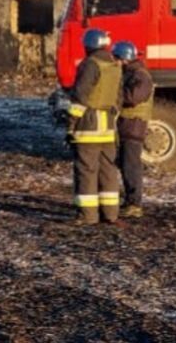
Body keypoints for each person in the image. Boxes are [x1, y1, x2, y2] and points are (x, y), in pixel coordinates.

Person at [64, 29, 123, 226]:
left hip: (88, 125)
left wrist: (71, 123)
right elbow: (119, 98)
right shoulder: (115, 65)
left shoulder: (90, 65)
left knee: (87, 170)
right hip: (108, 125)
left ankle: (88, 215)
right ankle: (111, 214)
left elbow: (80, 96)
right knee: (108, 171)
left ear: (88, 45)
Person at [113, 41, 153, 219]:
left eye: (117, 59)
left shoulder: (140, 76)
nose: (115, 62)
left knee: (131, 166)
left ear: (125, 59)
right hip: (127, 125)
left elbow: (133, 97)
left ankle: (134, 203)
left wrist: (114, 94)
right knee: (124, 164)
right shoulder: (131, 74)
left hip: (133, 126)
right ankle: (129, 201)